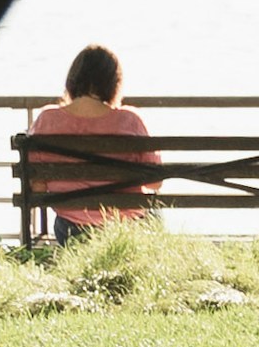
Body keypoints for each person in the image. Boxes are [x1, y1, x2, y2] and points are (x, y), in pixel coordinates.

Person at [27, 46, 162, 233]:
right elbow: (155, 182)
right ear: (113, 83)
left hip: (72, 228)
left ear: (72, 80)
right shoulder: (130, 121)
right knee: (155, 213)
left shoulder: (47, 120)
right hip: (127, 226)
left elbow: (37, 186)